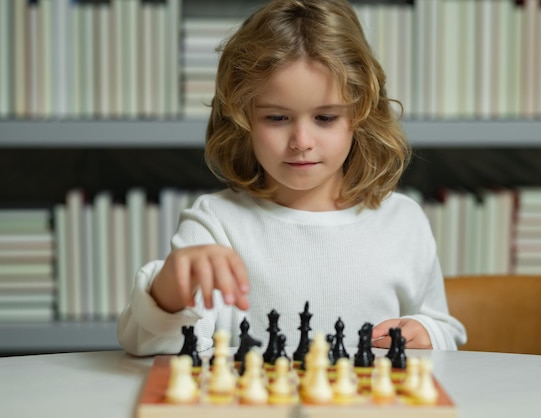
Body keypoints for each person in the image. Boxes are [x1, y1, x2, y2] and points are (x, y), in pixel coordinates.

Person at [117, 0, 466, 356]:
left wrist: (427, 333)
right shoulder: (215, 224)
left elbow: (444, 330)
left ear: (361, 115)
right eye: (277, 118)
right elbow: (151, 346)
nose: (302, 142)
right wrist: (168, 293)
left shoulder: (403, 221)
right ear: (242, 119)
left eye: (326, 118)